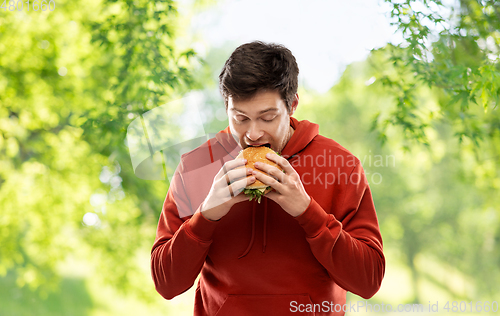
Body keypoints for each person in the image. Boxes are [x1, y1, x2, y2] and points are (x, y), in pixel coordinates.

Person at [151, 41, 385, 316]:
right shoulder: (196, 167)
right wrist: (206, 215)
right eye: (240, 118)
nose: (253, 134)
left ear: (292, 105)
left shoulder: (341, 164)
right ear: (227, 106)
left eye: (267, 117)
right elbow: (166, 284)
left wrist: (307, 212)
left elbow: (368, 281)